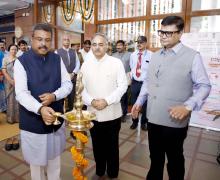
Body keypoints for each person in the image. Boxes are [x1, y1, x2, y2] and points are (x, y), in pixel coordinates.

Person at [131, 16, 211, 180]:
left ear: (180, 33)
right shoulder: (155, 56)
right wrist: (139, 101)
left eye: (168, 33)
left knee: (174, 161)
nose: (163, 36)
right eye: (161, 32)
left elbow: (204, 86)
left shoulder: (192, 56)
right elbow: (148, 81)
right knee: (155, 159)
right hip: (153, 118)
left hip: (175, 121)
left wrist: (188, 106)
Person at [14, 23, 73, 180]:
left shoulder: (56, 59)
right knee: (37, 167)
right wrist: (40, 108)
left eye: (47, 40)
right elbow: (20, 93)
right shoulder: (21, 62)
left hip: (55, 119)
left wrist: (54, 96)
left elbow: (68, 84)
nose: (43, 44)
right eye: (39, 39)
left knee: (55, 163)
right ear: (32, 39)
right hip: (33, 122)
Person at [81, 33, 127, 179]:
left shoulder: (116, 62)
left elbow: (122, 85)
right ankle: (100, 170)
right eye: (94, 44)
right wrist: (91, 101)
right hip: (93, 113)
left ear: (107, 46)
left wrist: (107, 100)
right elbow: (80, 89)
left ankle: (113, 173)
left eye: (101, 44)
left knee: (112, 146)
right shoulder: (85, 64)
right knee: (97, 145)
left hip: (112, 113)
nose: (97, 48)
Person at [129, 35, 152, 131]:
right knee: (134, 103)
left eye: (141, 42)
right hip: (135, 83)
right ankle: (134, 122)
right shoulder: (133, 55)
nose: (139, 44)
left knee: (145, 104)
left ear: (146, 43)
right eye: (138, 42)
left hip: (145, 83)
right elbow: (132, 67)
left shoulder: (151, 55)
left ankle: (143, 123)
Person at [2, 44, 20, 151]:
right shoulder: (5, 59)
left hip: (18, 82)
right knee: (10, 101)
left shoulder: (19, 59)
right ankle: (10, 118)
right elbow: (4, 71)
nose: (13, 50)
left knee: (17, 101)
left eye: (15, 49)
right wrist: (11, 81)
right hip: (8, 83)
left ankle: (17, 118)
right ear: (9, 50)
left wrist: (17, 81)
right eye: (12, 49)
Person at [56, 34, 80, 111]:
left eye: (68, 40)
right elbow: (56, 65)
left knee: (71, 99)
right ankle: (61, 117)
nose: (66, 41)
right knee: (61, 99)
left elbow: (78, 63)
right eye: (64, 40)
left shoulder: (73, 51)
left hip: (72, 78)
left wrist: (73, 73)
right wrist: (66, 75)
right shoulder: (57, 52)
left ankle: (70, 114)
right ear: (62, 41)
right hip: (61, 80)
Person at [113, 40, 131, 122]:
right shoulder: (113, 55)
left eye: (120, 45)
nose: (118, 47)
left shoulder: (130, 55)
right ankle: (117, 113)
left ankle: (124, 114)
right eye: (117, 45)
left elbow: (132, 67)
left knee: (124, 97)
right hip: (115, 79)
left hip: (125, 78)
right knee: (116, 96)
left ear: (124, 46)